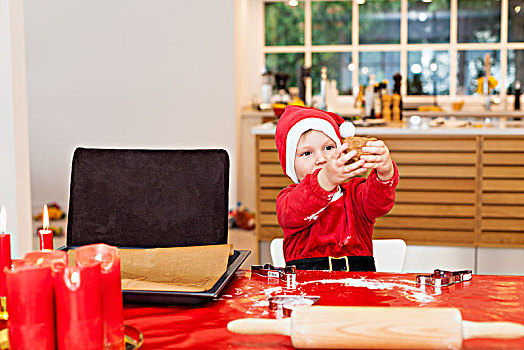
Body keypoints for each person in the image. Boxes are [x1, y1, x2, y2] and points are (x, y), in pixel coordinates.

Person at [274, 105, 399, 271]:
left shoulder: (356, 193)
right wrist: (324, 179)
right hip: (307, 291)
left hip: (359, 288)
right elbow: (297, 210)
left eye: (328, 148)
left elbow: (379, 204)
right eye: (307, 153)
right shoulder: (288, 200)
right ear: (291, 165)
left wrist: (385, 171)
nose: (321, 159)